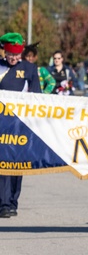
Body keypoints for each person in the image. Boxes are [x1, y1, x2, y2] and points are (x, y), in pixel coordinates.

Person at [0, 33, 42, 218]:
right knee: (2, 163)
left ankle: (13, 201)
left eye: (16, 55)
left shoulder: (29, 68)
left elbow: (38, 96)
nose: (13, 58)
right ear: (5, 52)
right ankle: (3, 203)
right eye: (10, 55)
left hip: (20, 124)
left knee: (17, 164)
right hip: (2, 123)